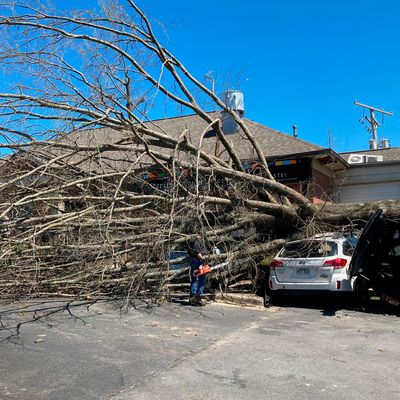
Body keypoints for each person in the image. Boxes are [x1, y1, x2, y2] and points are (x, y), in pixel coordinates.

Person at [187, 235, 207, 305]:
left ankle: (192, 296)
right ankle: (198, 294)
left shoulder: (191, 241)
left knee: (194, 278)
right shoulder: (197, 241)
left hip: (192, 260)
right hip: (197, 261)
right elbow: (198, 252)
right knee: (202, 277)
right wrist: (202, 259)